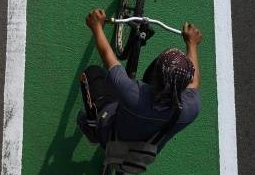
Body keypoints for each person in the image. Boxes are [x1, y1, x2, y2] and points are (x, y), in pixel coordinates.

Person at [78, 8, 202, 150]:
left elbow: (108, 56)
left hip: (110, 137)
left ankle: (92, 129)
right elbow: (195, 83)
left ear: (156, 75)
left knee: (92, 73)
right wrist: (192, 45)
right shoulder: (191, 107)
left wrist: (96, 27)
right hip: (142, 151)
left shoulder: (132, 93)